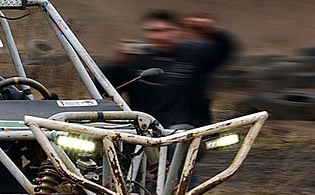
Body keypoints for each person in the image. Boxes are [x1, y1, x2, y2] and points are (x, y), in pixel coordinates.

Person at [100, 10, 236, 130]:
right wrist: (119, 64)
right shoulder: (136, 58)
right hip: (144, 129)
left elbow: (226, 49)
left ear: (179, 31)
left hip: (189, 129)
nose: (159, 37)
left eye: (166, 30)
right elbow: (103, 90)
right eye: (153, 31)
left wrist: (211, 31)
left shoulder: (196, 53)